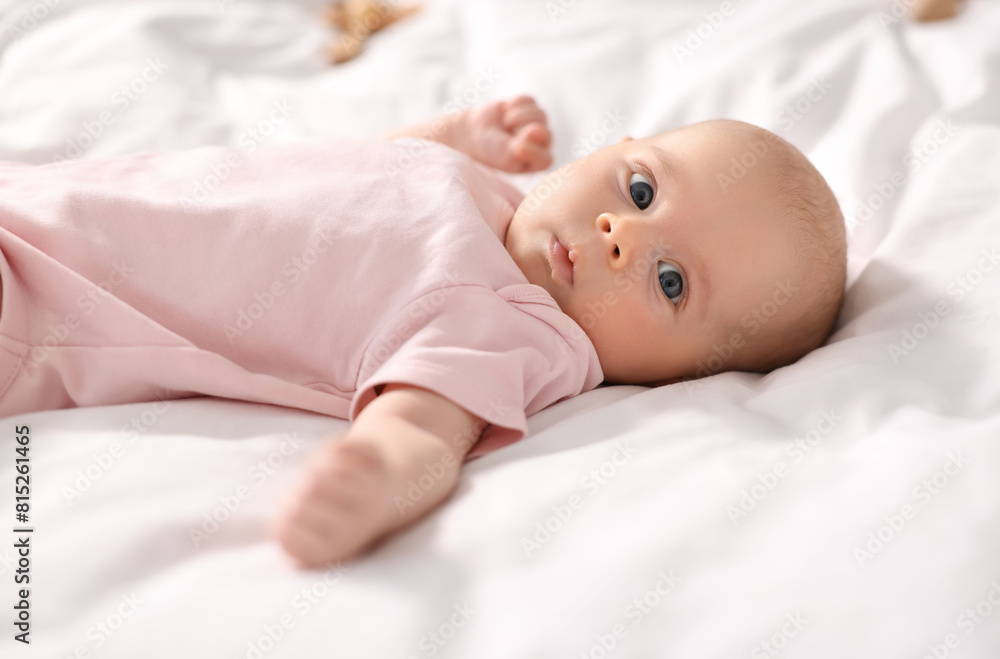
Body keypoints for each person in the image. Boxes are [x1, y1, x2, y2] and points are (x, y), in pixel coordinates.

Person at [0, 95, 846, 567]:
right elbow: (363, 172)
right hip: (40, 195)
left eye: (669, 282)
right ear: (622, 145)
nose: (623, 236)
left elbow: (427, 426)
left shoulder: (515, 327)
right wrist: (453, 135)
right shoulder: (493, 196)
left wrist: (379, 476)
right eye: (640, 190)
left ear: (678, 374)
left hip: (34, 300)